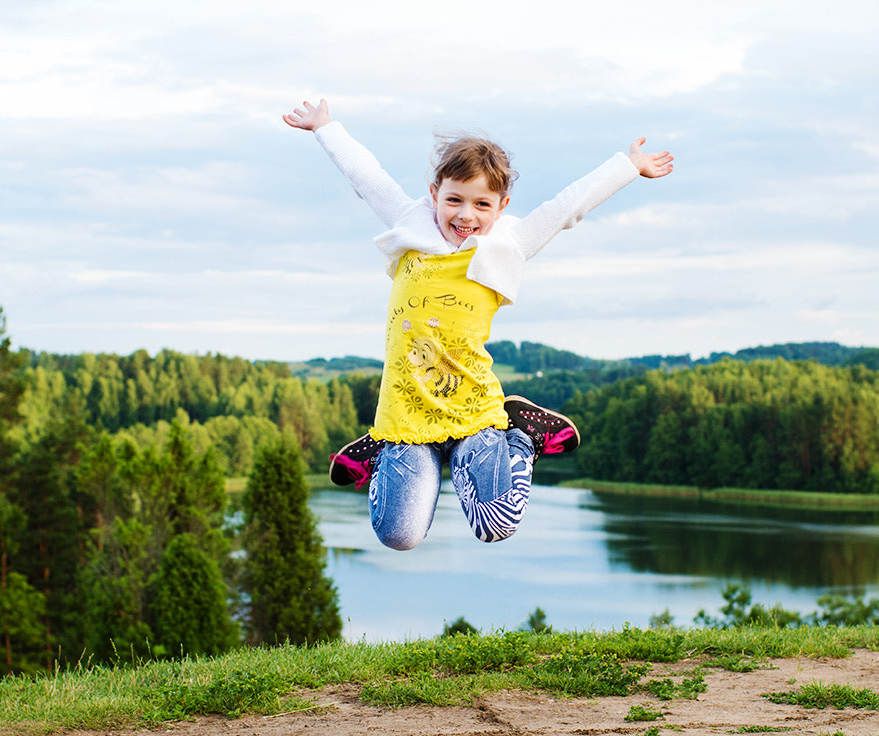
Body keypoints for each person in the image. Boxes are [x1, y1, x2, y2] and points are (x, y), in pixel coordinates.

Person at [283, 98, 673, 550]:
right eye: (454, 200)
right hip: (406, 416)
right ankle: (381, 450)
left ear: (501, 206)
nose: (466, 215)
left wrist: (628, 165)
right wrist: (325, 127)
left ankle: (523, 437)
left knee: (497, 526)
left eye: (481, 204)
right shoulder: (411, 226)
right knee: (399, 536)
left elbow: (567, 207)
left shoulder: (507, 245)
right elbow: (367, 178)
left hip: (474, 414)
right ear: (435, 195)